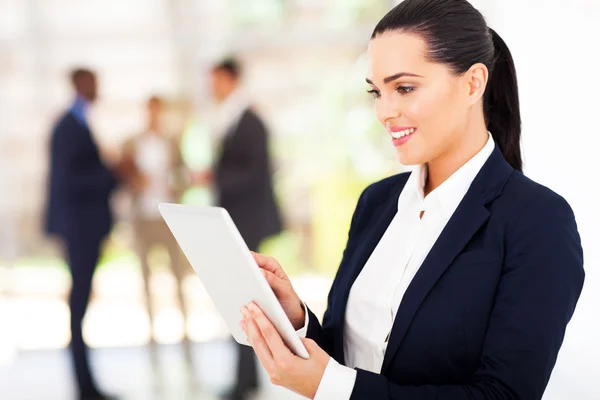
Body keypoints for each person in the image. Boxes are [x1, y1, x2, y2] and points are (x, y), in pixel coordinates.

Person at [238, 1, 585, 399]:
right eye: (376, 92)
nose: (384, 112)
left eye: (404, 88)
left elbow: (504, 395)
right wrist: (295, 317)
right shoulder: (377, 203)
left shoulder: (538, 221)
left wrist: (332, 388)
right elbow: (349, 358)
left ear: (473, 83)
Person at [196, 57, 283, 400]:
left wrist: (213, 177)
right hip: (236, 219)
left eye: (215, 80)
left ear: (229, 79)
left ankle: (248, 376)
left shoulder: (249, 120)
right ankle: (245, 377)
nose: (210, 87)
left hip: (247, 221)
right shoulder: (232, 118)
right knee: (241, 299)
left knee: (247, 300)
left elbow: (256, 173)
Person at [45, 68, 133, 400]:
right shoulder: (69, 126)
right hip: (78, 228)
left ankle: (86, 384)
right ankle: (84, 386)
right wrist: (114, 174)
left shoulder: (79, 122)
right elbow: (70, 181)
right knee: (78, 305)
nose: (98, 89)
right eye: (93, 84)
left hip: (84, 226)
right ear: (80, 85)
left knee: (81, 304)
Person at [122, 96, 192, 373]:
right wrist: (136, 181)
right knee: (146, 279)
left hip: (168, 218)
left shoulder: (172, 142)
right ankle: (152, 334)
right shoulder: (131, 143)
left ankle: (184, 332)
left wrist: (176, 187)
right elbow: (123, 177)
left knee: (178, 277)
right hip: (143, 219)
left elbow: (184, 175)